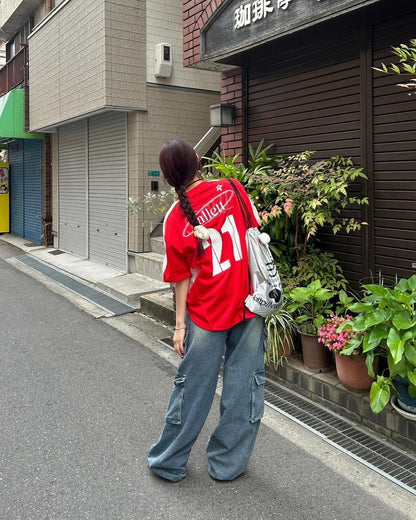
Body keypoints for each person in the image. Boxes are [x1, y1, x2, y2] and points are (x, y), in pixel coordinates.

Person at [147, 139, 266, 482]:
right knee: (244, 386)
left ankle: (168, 462)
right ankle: (228, 465)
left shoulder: (174, 218)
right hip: (250, 304)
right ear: (199, 161)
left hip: (207, 313)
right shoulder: (232, 187)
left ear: (170, 179)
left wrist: (180, 326)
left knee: (193, 388)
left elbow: (179, 278)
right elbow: (255, 232)